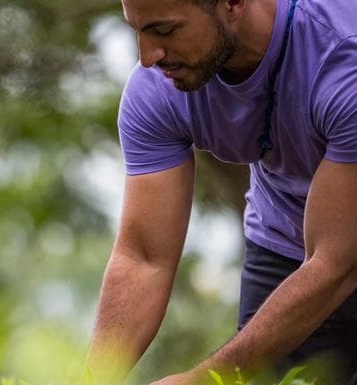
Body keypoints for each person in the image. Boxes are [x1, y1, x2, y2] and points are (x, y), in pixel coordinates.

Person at [83, 0, 357, 384]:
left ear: (232, 4)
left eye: (164, 31)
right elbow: (144, 259)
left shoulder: (344, 57)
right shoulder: (156, 92)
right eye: (138, 31)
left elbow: (336, 265)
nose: (147, 57)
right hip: (284, 243)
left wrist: (203, 379)